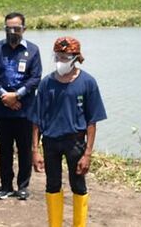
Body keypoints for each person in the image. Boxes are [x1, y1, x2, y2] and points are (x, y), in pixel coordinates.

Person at [32, 37, 107, 227]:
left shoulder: (88, 82)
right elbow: (36, 120)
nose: (60, 61)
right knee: (52, 185)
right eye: (58, 56)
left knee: (78, 185)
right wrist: (35, 150)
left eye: (65, 57)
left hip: (75, 142)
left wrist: (87, 153)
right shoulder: (46, 84)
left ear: (75, 58)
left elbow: (92, 122)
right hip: (50, 142)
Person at [0, 12, 42, 201]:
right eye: (8, 28)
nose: (12, 31)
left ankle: (23, 186)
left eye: (16, 28)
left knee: (25, 149)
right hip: (2, 109)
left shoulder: (33, 51)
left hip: (25, 109)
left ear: (24, 29)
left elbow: (35, 78)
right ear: (4, 29)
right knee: (5, 150)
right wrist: (5, 95)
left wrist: (17, 95)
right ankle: (5, 186)